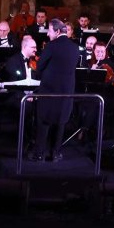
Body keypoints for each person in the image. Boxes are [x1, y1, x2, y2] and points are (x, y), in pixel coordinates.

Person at [31, 18, 80, 161]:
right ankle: (56, 153)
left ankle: (39, 153)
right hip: (67, 90)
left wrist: (42, 75)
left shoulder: (51, 46)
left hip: (49, 90)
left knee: (43, 121)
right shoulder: (74, 47)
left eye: (50, 31)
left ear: (57, 31)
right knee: (61, 122)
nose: (47, 34)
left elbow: (40, 67)